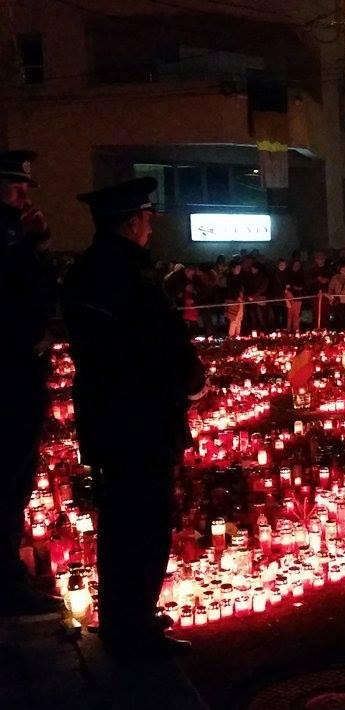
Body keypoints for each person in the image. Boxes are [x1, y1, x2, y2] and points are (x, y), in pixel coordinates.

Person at [63, 178, 207, 657]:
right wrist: (192, 382)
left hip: (109, 414)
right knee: (142, 521)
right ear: (130, 222)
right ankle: (133, 628)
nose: (150, 229)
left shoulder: (87, 271)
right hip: (140, 417)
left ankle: (127, 614)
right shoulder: (129, 275)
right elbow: (161, 343)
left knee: (123, 518)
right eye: (146, 220)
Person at [0, 150, 61, 615]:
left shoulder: (15, 236)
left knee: (17, 478)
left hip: (22, 368)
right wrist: (28, 243)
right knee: (7, 477)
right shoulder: (8, 238)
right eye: (16, 189)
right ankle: (6, 582)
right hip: (7, 372)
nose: (23, 198)